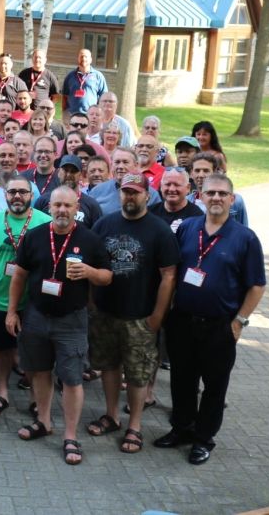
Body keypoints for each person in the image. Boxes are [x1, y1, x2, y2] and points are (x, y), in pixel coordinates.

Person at [155, 173, 265, 464]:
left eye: (221, 193)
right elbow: (172, 272)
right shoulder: (188, 228)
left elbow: (257, 285)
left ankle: (204, 439)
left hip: (220, 325)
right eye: (210, 193)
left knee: (215, 386)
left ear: (232, 199)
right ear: (200, 196)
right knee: (181, 379)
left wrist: (240, 321)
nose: (215, 198)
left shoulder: (245, 238)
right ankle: (181, 428)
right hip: (182, 321)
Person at [6, 186, 113, 466]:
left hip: (72, 319)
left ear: (76, 207)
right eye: (57, 206)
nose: (62, 210)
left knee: (72, 379)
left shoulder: (89, 239)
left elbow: (106, 277)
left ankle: (70, 435)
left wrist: (89, 272)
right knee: (39, 372)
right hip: (36, 315)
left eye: (68, 205)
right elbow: (19, 276)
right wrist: (11, 312)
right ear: (49, 207)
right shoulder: (35, 236)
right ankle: (43, 421)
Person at [87, 173, 179, 454]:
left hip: (140, 316)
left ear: (147, 195)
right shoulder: (104, 224)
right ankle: (112, 415)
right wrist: (92, 303)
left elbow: (169, 276)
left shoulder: (160, 230)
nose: (130, 197)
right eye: (125, 192)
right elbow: (90, 265)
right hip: (105, 313)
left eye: (136, 192)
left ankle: (135, 426)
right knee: (109, 365)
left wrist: (157, 317)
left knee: (138, 374)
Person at [0, 176, 50, 417]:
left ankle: (35, 398)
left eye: (23, 192)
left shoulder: (45, 222)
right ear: (5, 194)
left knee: (34, 353)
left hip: (34, 303)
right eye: (12, 191)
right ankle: (2, 393)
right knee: (0, 350)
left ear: (31, 196)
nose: (17, 196)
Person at [149, 167, 203, 232]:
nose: (172, 189)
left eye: (177, 185)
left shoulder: (197, 217)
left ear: (188, 188)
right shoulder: (150, 213)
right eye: (167, 184)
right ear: (161, 186)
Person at [61, 48, 107, 116]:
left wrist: (99, 114)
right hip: (72, 115)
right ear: (78, 59)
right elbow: (64, 97)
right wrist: (64, 114)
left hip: (90, 115)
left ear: (91, 59)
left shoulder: (98, 76)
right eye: (81, 56)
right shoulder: (70, 76)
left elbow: (103, 97)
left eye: (86, 56)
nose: (83, 58)